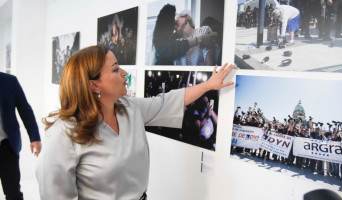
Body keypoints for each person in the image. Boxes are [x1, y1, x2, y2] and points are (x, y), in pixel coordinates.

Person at [36, 45, 234, 199]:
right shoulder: (64, 134)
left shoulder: (128, 108)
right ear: (94, 85)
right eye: (115, 70)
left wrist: (208, 85)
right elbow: (55, 194)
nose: (124, 73)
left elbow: (166, 103)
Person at [0, 72, 42, 200]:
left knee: (13, 192)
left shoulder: (9, 81)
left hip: (7, 146)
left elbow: (25, 110)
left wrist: (35, 137)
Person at [152, 4, 216, 65]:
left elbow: (209, 65)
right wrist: (200, 39)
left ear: (186, 18)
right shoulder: (175, 41)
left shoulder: (203, 31)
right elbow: (168, 49)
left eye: (177, 18)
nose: (174, 23)